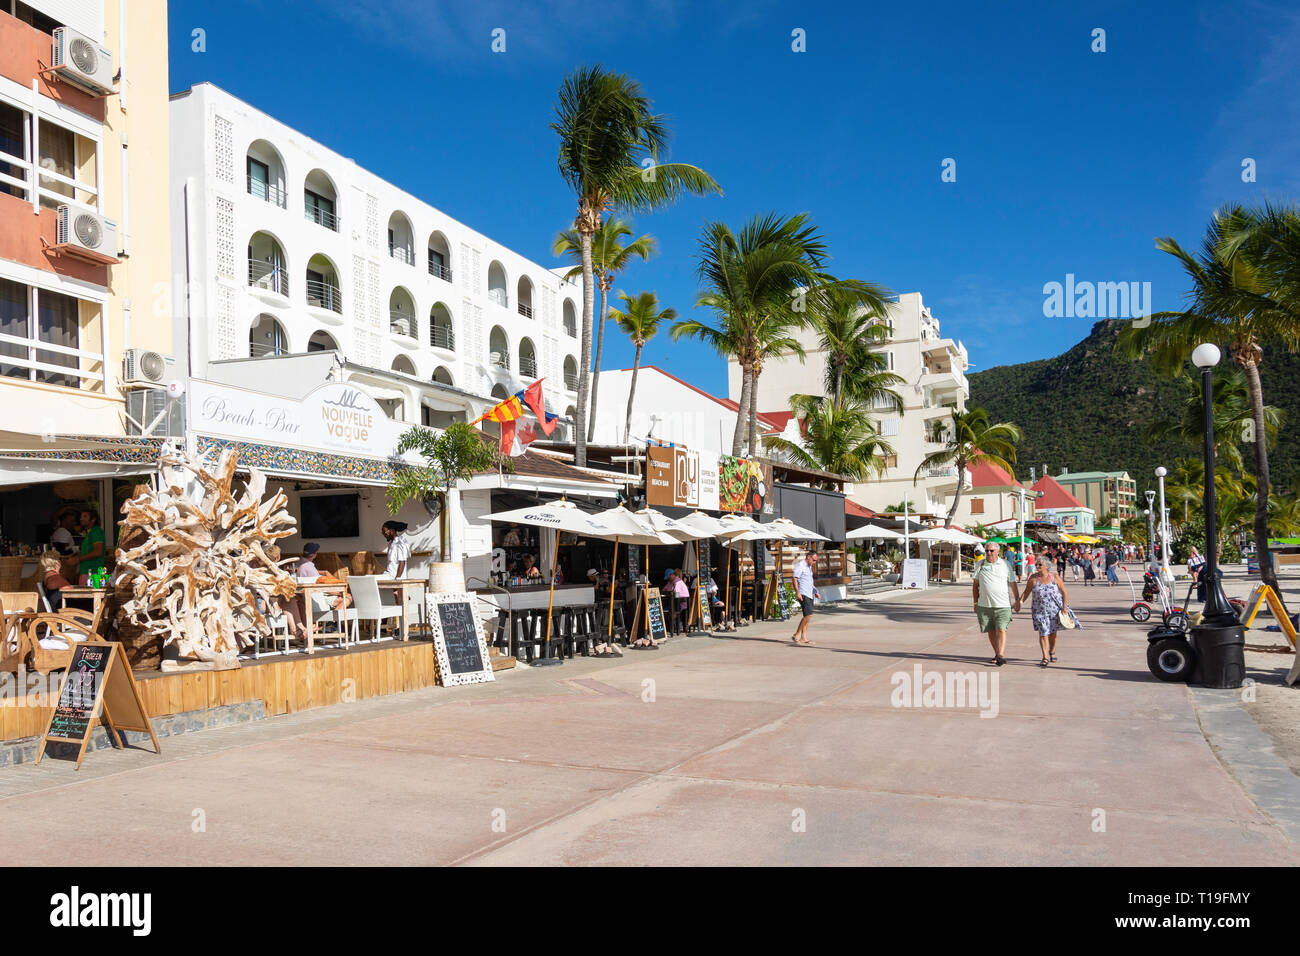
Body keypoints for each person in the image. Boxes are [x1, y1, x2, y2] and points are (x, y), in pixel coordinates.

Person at [973, 542, 1020, 666]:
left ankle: (1000, 654)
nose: (988, 553)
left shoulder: (1005, 564)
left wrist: (1017, 600)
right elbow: (975, 585)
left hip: (1003, 605)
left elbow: (1012, 582)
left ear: (998, 552)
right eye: (987, 551)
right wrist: (975, 602)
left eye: (991, 551)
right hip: (984, 605)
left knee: (1001, 629)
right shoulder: (980, 564)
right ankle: (997, 653)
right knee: (991, 631)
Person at [1027, 557, 1070, 666]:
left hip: (1054, 610)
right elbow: (1026, 592)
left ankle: (1052, 650)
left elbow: (1064, 592)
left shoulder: (1054, 577)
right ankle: (1045, 657)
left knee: (1052, 634)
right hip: (1039, 611)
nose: (1037, 566)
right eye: (1037, 564)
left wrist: (1064, 608)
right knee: (1043, 632)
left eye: (1040, 565)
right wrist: (1019, 602)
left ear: (1046, 566)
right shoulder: (1033, 578)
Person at [790, 548, 821, 646]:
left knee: (807, 616)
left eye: (816, 560)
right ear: (808, 557)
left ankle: (804, 637)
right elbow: (795, 579)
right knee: (808, 615)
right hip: (803, 593)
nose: (815, 562)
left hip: (809, 593)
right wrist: (797, 592)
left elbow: (809, 581)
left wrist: (815, 591)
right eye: (814, 560)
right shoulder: (800, 566)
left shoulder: (809, 567)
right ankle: (796, 634)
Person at [77, 509, 106, 585]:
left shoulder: (96, 531)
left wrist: (78, 559)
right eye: (81, 516)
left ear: (93, 519)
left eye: (85, 516)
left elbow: (98, 552)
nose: (81, 519)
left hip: (93, 573)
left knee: (91, 596)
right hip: (87, 572)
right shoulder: (89, 532)